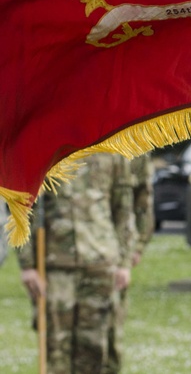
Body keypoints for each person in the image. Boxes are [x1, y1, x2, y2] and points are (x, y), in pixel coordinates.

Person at [18, 152, 137, 373]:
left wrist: (124, 262)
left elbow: (123, 208)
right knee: (56, 348)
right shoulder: (47, 148)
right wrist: (27, 265)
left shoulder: (113, 151)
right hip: (54, 267)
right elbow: (23, 209)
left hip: (101, 263)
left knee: (97, 348)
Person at [107, 153, 155, 374]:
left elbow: (143, 199)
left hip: (117, 251)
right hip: (71, 254)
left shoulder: (133, 147)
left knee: (111, 330)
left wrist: (138, 245)